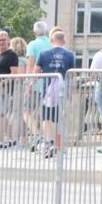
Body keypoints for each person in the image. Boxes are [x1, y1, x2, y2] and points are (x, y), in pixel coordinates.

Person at [33, 29, 76, 159]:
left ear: (52, 40)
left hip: (47, 91)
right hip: (62, 91)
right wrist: (70, 93)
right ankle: (59, 146)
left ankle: (49, 142)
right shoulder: (70, 55)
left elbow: (35, 73)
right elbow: (72, 76)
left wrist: (31, 85)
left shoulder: (43, 54)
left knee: (47, 118)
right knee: (59, 118)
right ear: (64, 41)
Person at [0, 31, 19, 149]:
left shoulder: (12, 55)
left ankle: (1, 141)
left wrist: (0, 84)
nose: (1, 42)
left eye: (3, 40)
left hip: (5, 91)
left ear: (8, 41)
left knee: (1, 115)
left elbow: (14, 74)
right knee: (1, 115)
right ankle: (11, 140)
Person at [26, 21, 51, 152]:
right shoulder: (51, 43)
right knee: (45, 115)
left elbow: (30, 65)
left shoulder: (33, 44)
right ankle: (45, 140)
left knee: (27, 111)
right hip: (51, 84)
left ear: (35, 32)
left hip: (36, 84)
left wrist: (29, 82)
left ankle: (37, 136)